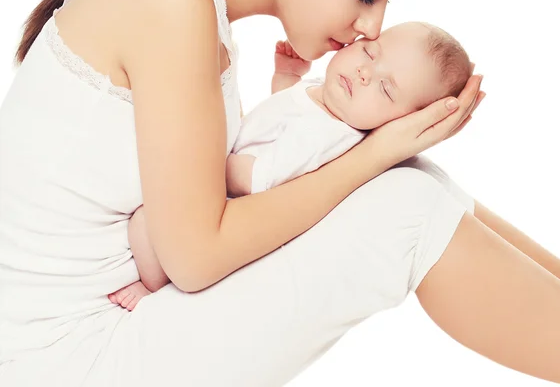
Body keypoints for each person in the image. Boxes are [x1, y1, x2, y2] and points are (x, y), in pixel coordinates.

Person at [0, 0, 560, 387]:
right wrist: (371, 156)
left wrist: (385, 153)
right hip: (74, 356)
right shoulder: (170, 1)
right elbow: (197, 256)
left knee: (418, 179)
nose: (372, 27)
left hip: (117, 318)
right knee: (407, 210)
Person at [108, 20, 472, 311]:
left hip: (233, 214)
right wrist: (288, 77)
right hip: (217, 200)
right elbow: (282, 119)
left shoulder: (332, 135)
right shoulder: (325, 96)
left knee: (146, 221)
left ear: (397, 123)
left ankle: (155, 287)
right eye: (369, 51)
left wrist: (200, 160)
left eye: (386, 89)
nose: (365, 72)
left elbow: (261, 178)